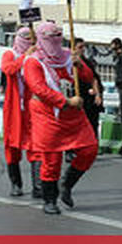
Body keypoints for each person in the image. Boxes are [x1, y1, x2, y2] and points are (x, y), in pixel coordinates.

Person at [23, 22, 99, 214]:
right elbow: (39, 88)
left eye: (58, 36)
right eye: (51, 37)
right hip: (47, 114)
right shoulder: (33, 61)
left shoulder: (67, 55)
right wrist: (65, 101)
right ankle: (50, 199)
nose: (55, 41)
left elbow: (88, 77)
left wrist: (80, 64)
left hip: (73, 113)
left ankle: (67, 183)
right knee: (51, 159)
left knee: (90, 148)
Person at [1, 27, 39, 197]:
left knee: (35, 145)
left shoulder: (37, 55)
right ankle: (16, 184)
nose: (28, 41)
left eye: (31, 37)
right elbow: (8, 69)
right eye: (25, 37)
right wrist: (25, 57)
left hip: (33, 108)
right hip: (15, 108)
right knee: (12, 145)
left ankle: (38, 186)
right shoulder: (11, 54)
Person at [73, 38, 104, 140]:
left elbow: (94, 78)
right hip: (76, 96)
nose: (82, 50)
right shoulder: (68, 63)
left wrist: (97, 94)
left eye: (83, 47)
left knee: (92, 122)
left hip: (89, 98)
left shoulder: (88, 62)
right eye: (80, 47)